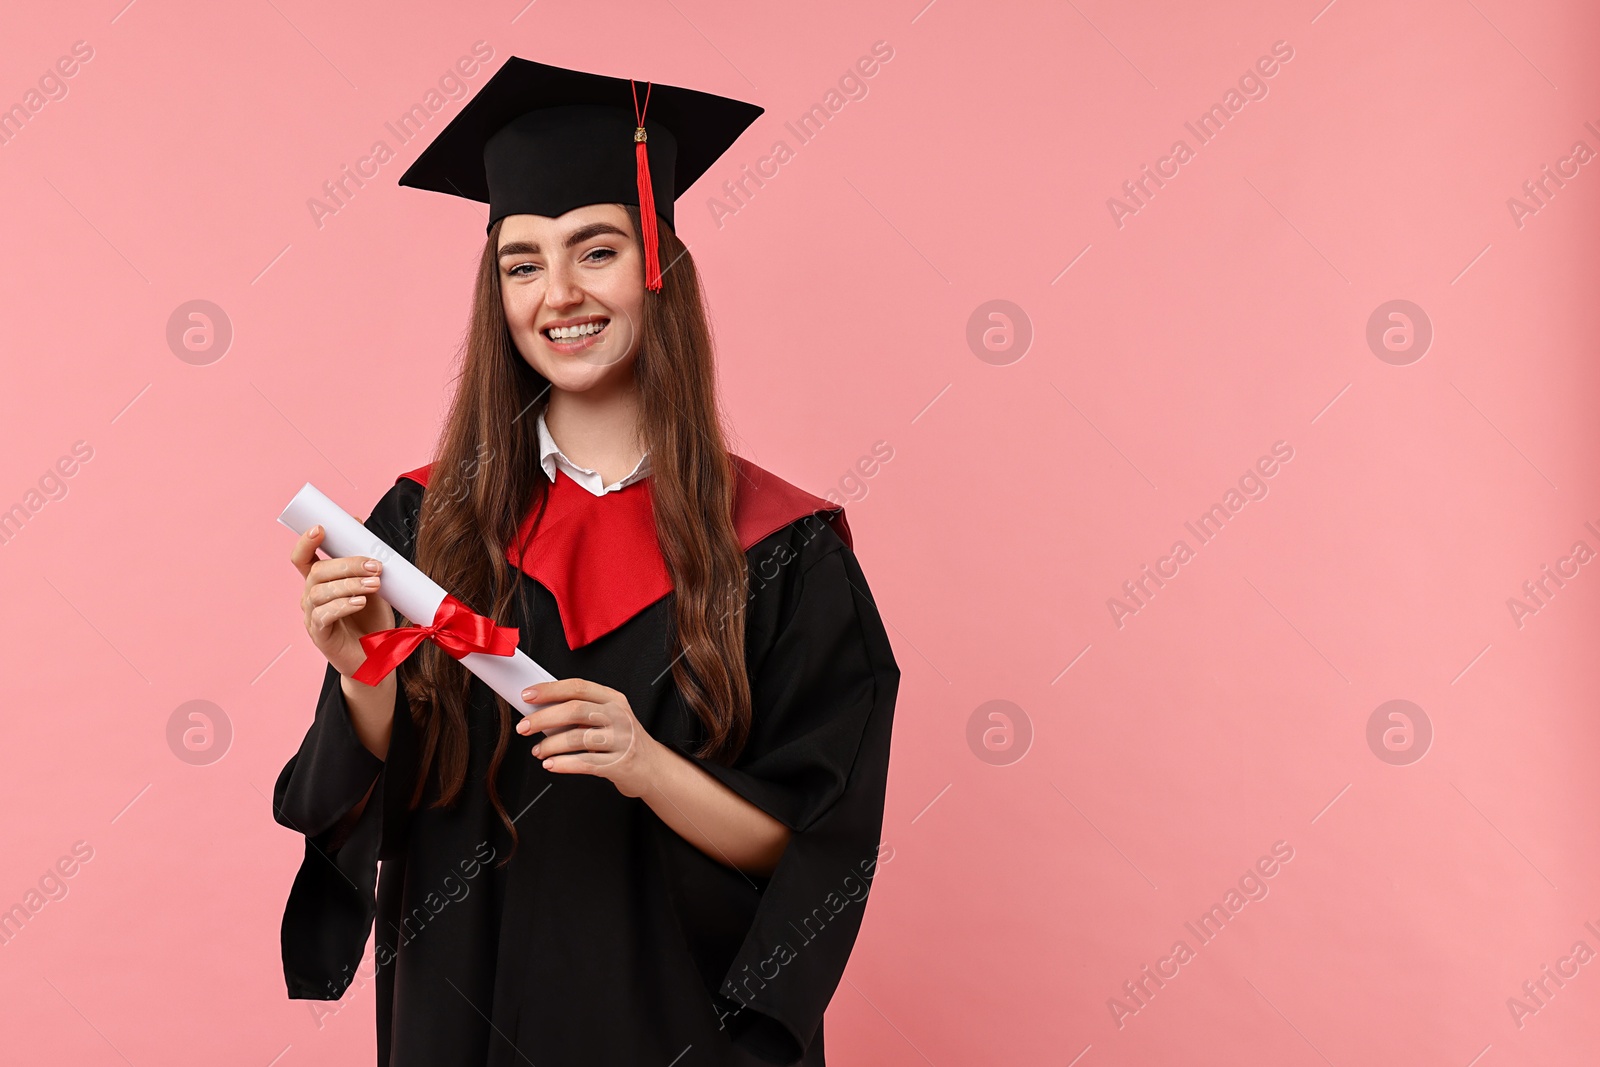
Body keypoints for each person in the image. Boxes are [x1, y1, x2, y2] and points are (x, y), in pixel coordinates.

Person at [271, 57, 900, 1067]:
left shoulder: (783, 550)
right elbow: (365, 804)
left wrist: (646, 766)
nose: (557, 293)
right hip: (461, 1016)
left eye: (594, 250)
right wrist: (362, 676)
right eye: (521, 263)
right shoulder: (425, 522)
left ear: (657, 263)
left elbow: (811, 846)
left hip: (681, 1025)